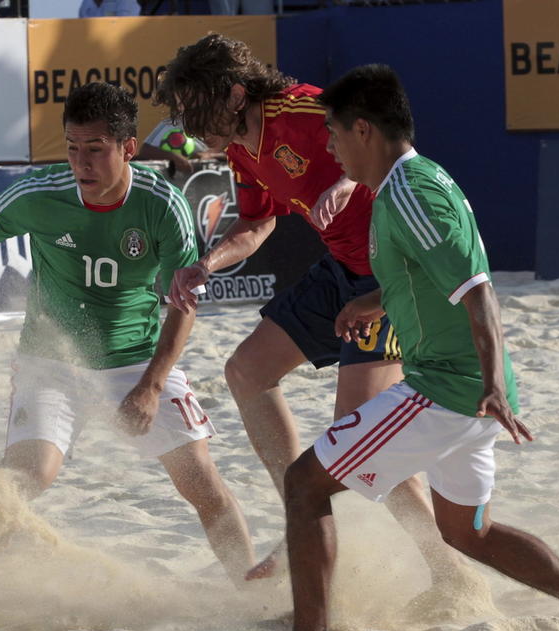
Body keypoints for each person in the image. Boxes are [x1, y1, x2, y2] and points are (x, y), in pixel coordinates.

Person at [281, 63, 559, 631]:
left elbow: (479, 291)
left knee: (304, 485)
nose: (329, 146)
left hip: (446, 389)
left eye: (333, 132)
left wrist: (493, 384)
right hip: (467, 391)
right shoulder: (411, 183)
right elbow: (426, 275)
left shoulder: (410, 194)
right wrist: (374, 301)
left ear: (363, 130)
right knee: (468, 533)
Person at [0, 82, 256, 584]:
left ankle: (251, 590)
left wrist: (152, 386)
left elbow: (184, 305)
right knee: (25, 480)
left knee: (202, 483)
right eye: (72, 148)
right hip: (51, 362)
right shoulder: (38, 194)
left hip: (137, 361)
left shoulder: (163, 205)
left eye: (95, 149)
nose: (81, 163)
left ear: (128, 148)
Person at [155, 33, 476, 594]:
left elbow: (389, 146)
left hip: (394, 274)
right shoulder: (238, 147)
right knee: (246, 371)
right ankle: (300, 516)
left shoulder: (303, 111)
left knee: (361, 433)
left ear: (234, 94)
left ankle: (450, 571)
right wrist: (206, 264)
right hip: (342, 269)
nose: (187, 123)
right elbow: (257, 223)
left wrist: (349, 179)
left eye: (194, 106)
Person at [137, 119, 223, 176]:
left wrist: (209, 156)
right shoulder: (170, 123)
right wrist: (172, 156)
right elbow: (145, 150)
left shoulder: (222, 123)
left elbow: (229, 153)